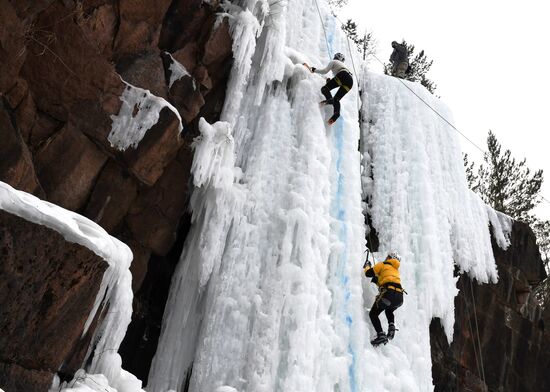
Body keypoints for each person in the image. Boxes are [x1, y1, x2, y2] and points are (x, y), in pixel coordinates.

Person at [363, 250, 405, 346]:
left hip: (388, 294)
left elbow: (368, 273)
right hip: (399, 297)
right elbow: (387, 279)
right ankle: (391, 326)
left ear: (390, 258)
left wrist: (367, 265)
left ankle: (381, 334)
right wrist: (377, 280)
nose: (386, 258)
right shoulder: (396, 271)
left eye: (387, 257)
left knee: (373, 314)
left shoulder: (382, 264)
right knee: (389, 310)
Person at [303, 53, 353, 125]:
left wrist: (313, 69)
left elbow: (325, 71)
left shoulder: (334, 62)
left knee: (324, 89)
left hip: (342, 75)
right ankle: (336, 114)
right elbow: (338, 80)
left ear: (335, 57)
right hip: (350, 82)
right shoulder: (343, 66)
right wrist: (329, 82)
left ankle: (329, 101)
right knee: (336, 99)